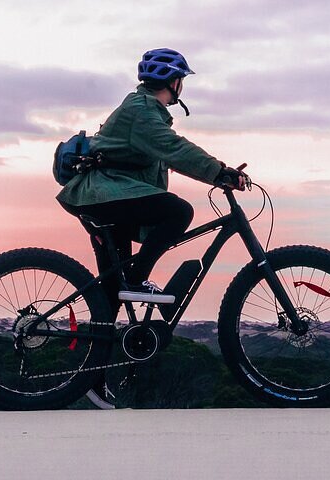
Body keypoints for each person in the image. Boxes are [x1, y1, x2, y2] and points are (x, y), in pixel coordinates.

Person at [56, 48, 246, 407]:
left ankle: (92, 382)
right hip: (102, 195)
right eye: (182, 81)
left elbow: (157, 158)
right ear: (174, 82)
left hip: (107, 196)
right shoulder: (142, 111)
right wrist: (219, 172)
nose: (181, 87)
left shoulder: (145, 112)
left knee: (110, 294)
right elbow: (174, 149)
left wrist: (206, 170)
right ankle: (138, 279)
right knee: (178, 212)